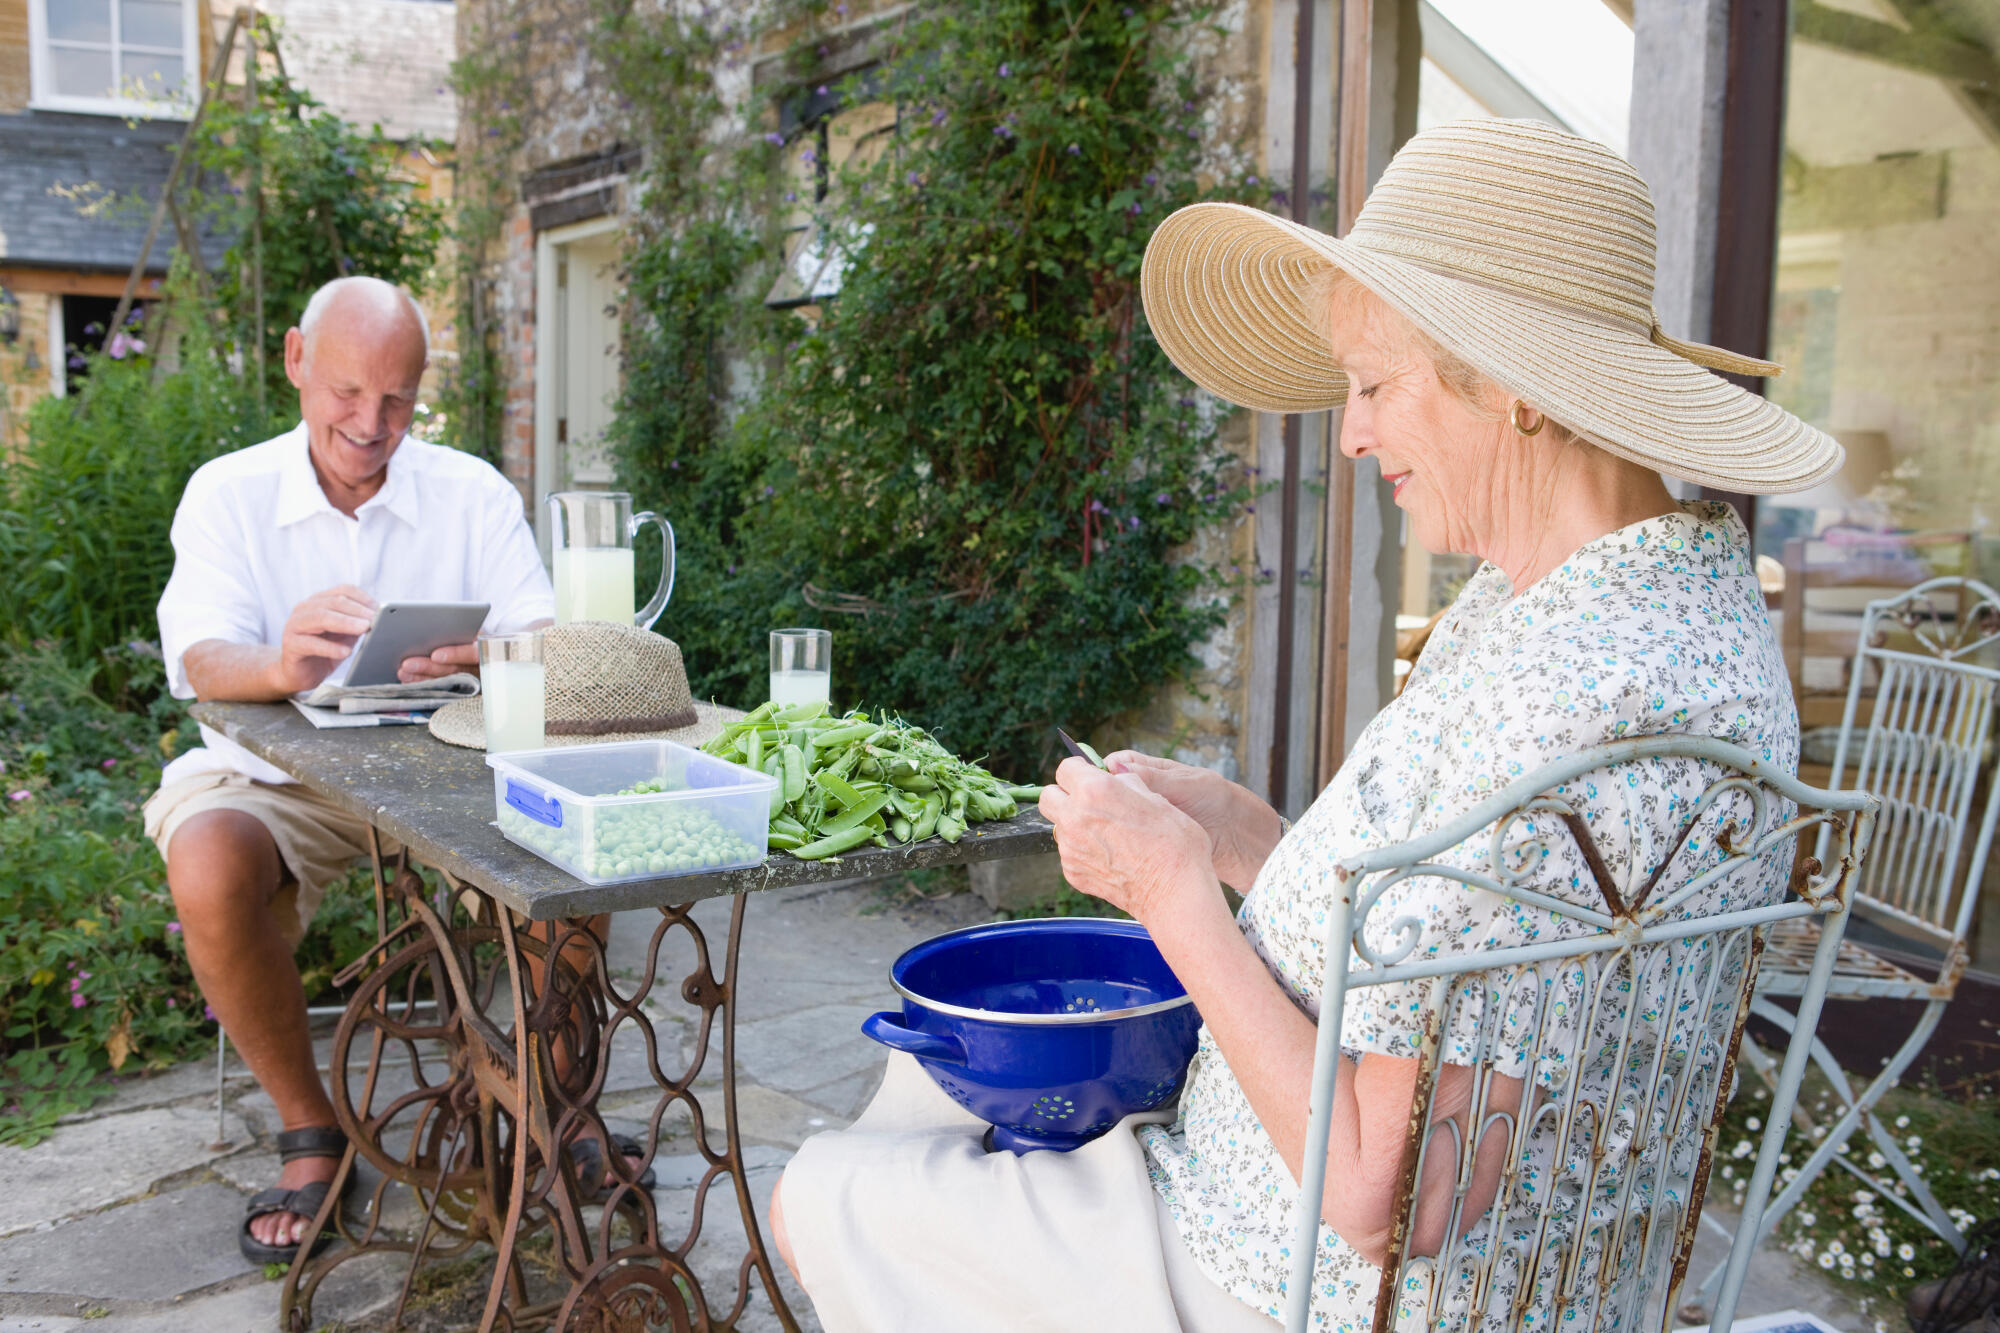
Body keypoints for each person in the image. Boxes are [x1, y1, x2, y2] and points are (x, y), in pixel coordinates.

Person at [768, 118, 1842, 1331]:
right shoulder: (1639, 608)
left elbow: (1389, 1194)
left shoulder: (1585, 698)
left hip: (1301, 1282)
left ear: (1511, 383)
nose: (1350, 432)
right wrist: (1247, 844)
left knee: (822, 1193)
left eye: (1373, 384)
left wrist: (1169, 893)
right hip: (1369, 1243)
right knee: (921, 1088)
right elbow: (1467, 947)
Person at [145, 276, 561, 1263]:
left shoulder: (472, 492)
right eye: (345, 392)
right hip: (281, 784)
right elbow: (199, 658)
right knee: (206, 860)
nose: (371, 425)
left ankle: (554, 1104)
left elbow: (545, 638)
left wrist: (487, 657)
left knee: (575, 834)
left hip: (452, 775)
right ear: (296, 360)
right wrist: (281, 664)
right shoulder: (229, 490)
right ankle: (310, 1128)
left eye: (397, 399)